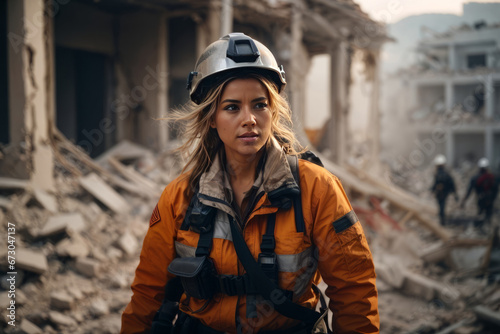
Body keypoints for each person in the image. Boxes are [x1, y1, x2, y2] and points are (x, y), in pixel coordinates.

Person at [121, 33, 379, 334]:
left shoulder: (317, 189)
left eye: (259, 105)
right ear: (211, 118)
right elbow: (147, 295)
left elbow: (354, 292)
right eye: (232, 107)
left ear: (273, 111)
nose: (250, 119)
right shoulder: (179, 197)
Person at [461, 158, 498, 226]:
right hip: (490, 199)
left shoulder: (475, 178)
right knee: (488, 215)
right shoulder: (491, 177)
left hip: (480, 199)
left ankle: (481, 229)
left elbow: (469, 190)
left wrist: (464, 201)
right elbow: (496, 189)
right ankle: (488, 229)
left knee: (480, 214)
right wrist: (493, 199)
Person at [430, 154, 458, 226]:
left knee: (441, 207)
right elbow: (436, 184)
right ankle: (442, 221)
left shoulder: (442, 174)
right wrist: (455, 194)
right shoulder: (443, 174)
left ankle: (442, 221)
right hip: (442, 193)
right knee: (441, 207)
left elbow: (451, 184)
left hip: (442, 193)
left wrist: (455, 194)